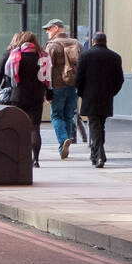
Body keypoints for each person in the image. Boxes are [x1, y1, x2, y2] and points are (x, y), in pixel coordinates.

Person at [0, 31, 50, 167]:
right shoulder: (42, 56)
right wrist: (49, 94)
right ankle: (35, 160)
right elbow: (48, 77)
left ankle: (16, 157)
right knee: (35, 128)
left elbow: (5, 75)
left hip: (18, 96)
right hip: (36, 96)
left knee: (16, 127)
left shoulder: (15, 55)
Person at [74, 32, 123, 168]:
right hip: (106, 97)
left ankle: (99, 155)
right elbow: (119, 80)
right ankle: (95, 154)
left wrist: (81, 92)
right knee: (100, 125)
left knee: (95, 126)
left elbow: (78, 78)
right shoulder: (115, 57)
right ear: (105, 42)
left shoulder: (85, 56)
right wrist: (112, 92)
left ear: (93, 41)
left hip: (90, 96)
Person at [43, 19, 83, 159]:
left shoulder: (52, 46)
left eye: (48, 29)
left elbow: (46, 69)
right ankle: (66, 141)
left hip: (57, 86)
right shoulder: (76, 43)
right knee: (68, 114)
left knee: (56, 115)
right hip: (73, 86)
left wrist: (46, 90)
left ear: (56, 28)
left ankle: (63, 140)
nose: (47, 32)